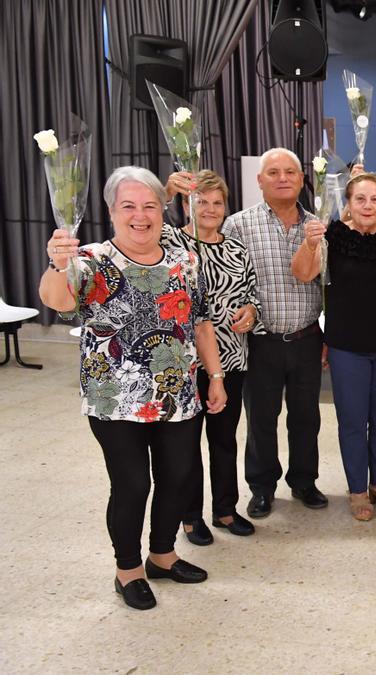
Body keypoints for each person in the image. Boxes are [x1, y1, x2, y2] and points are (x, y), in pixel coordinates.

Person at [40, 166, 226, 610]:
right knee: (132, 485)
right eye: (129, 206)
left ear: (162, 209)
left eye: (149, 206)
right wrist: (58, 263)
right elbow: (58, 299)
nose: (140, 215)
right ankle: (128, 570)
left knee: (177, 478)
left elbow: (200, 323)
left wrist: (214, 377)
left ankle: (162, 555)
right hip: (114, 398)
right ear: (111, 212)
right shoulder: (89, 258)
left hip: (177, 393)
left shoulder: (184, 260)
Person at [292, 174, 376, 521]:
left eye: (374, 199)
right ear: (348, 202)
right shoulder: (332, 237)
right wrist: (310, 244)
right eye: (360, 199)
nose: (368, 206)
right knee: (353, 422)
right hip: (347, 346)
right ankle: (358, 488)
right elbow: (303, 273)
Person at [223, 148, 328, 519]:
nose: (282, 178)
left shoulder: (318, 225)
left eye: (290, 172)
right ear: (259, 180)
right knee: (261, 419)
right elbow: (231, 281)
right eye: (273, 172)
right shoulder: (238, 225)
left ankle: (304, 481)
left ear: (302, 179)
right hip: (260, 342)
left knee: (306, 417)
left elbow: (326, 286)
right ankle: (262, 487)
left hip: (306, 337)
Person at [162, 170, 258, 544]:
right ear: (188, 204)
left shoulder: (236, 249)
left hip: (230, 361)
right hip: (185, 363)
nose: (210, 209)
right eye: (202, 201)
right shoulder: (171, 242)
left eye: (218, 202)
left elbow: (253, 297)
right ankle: (190, 516)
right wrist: (169, 189)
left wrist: (251, 312)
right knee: (186, 444)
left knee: (223, 439)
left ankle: (225, 509)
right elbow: (151, 216)